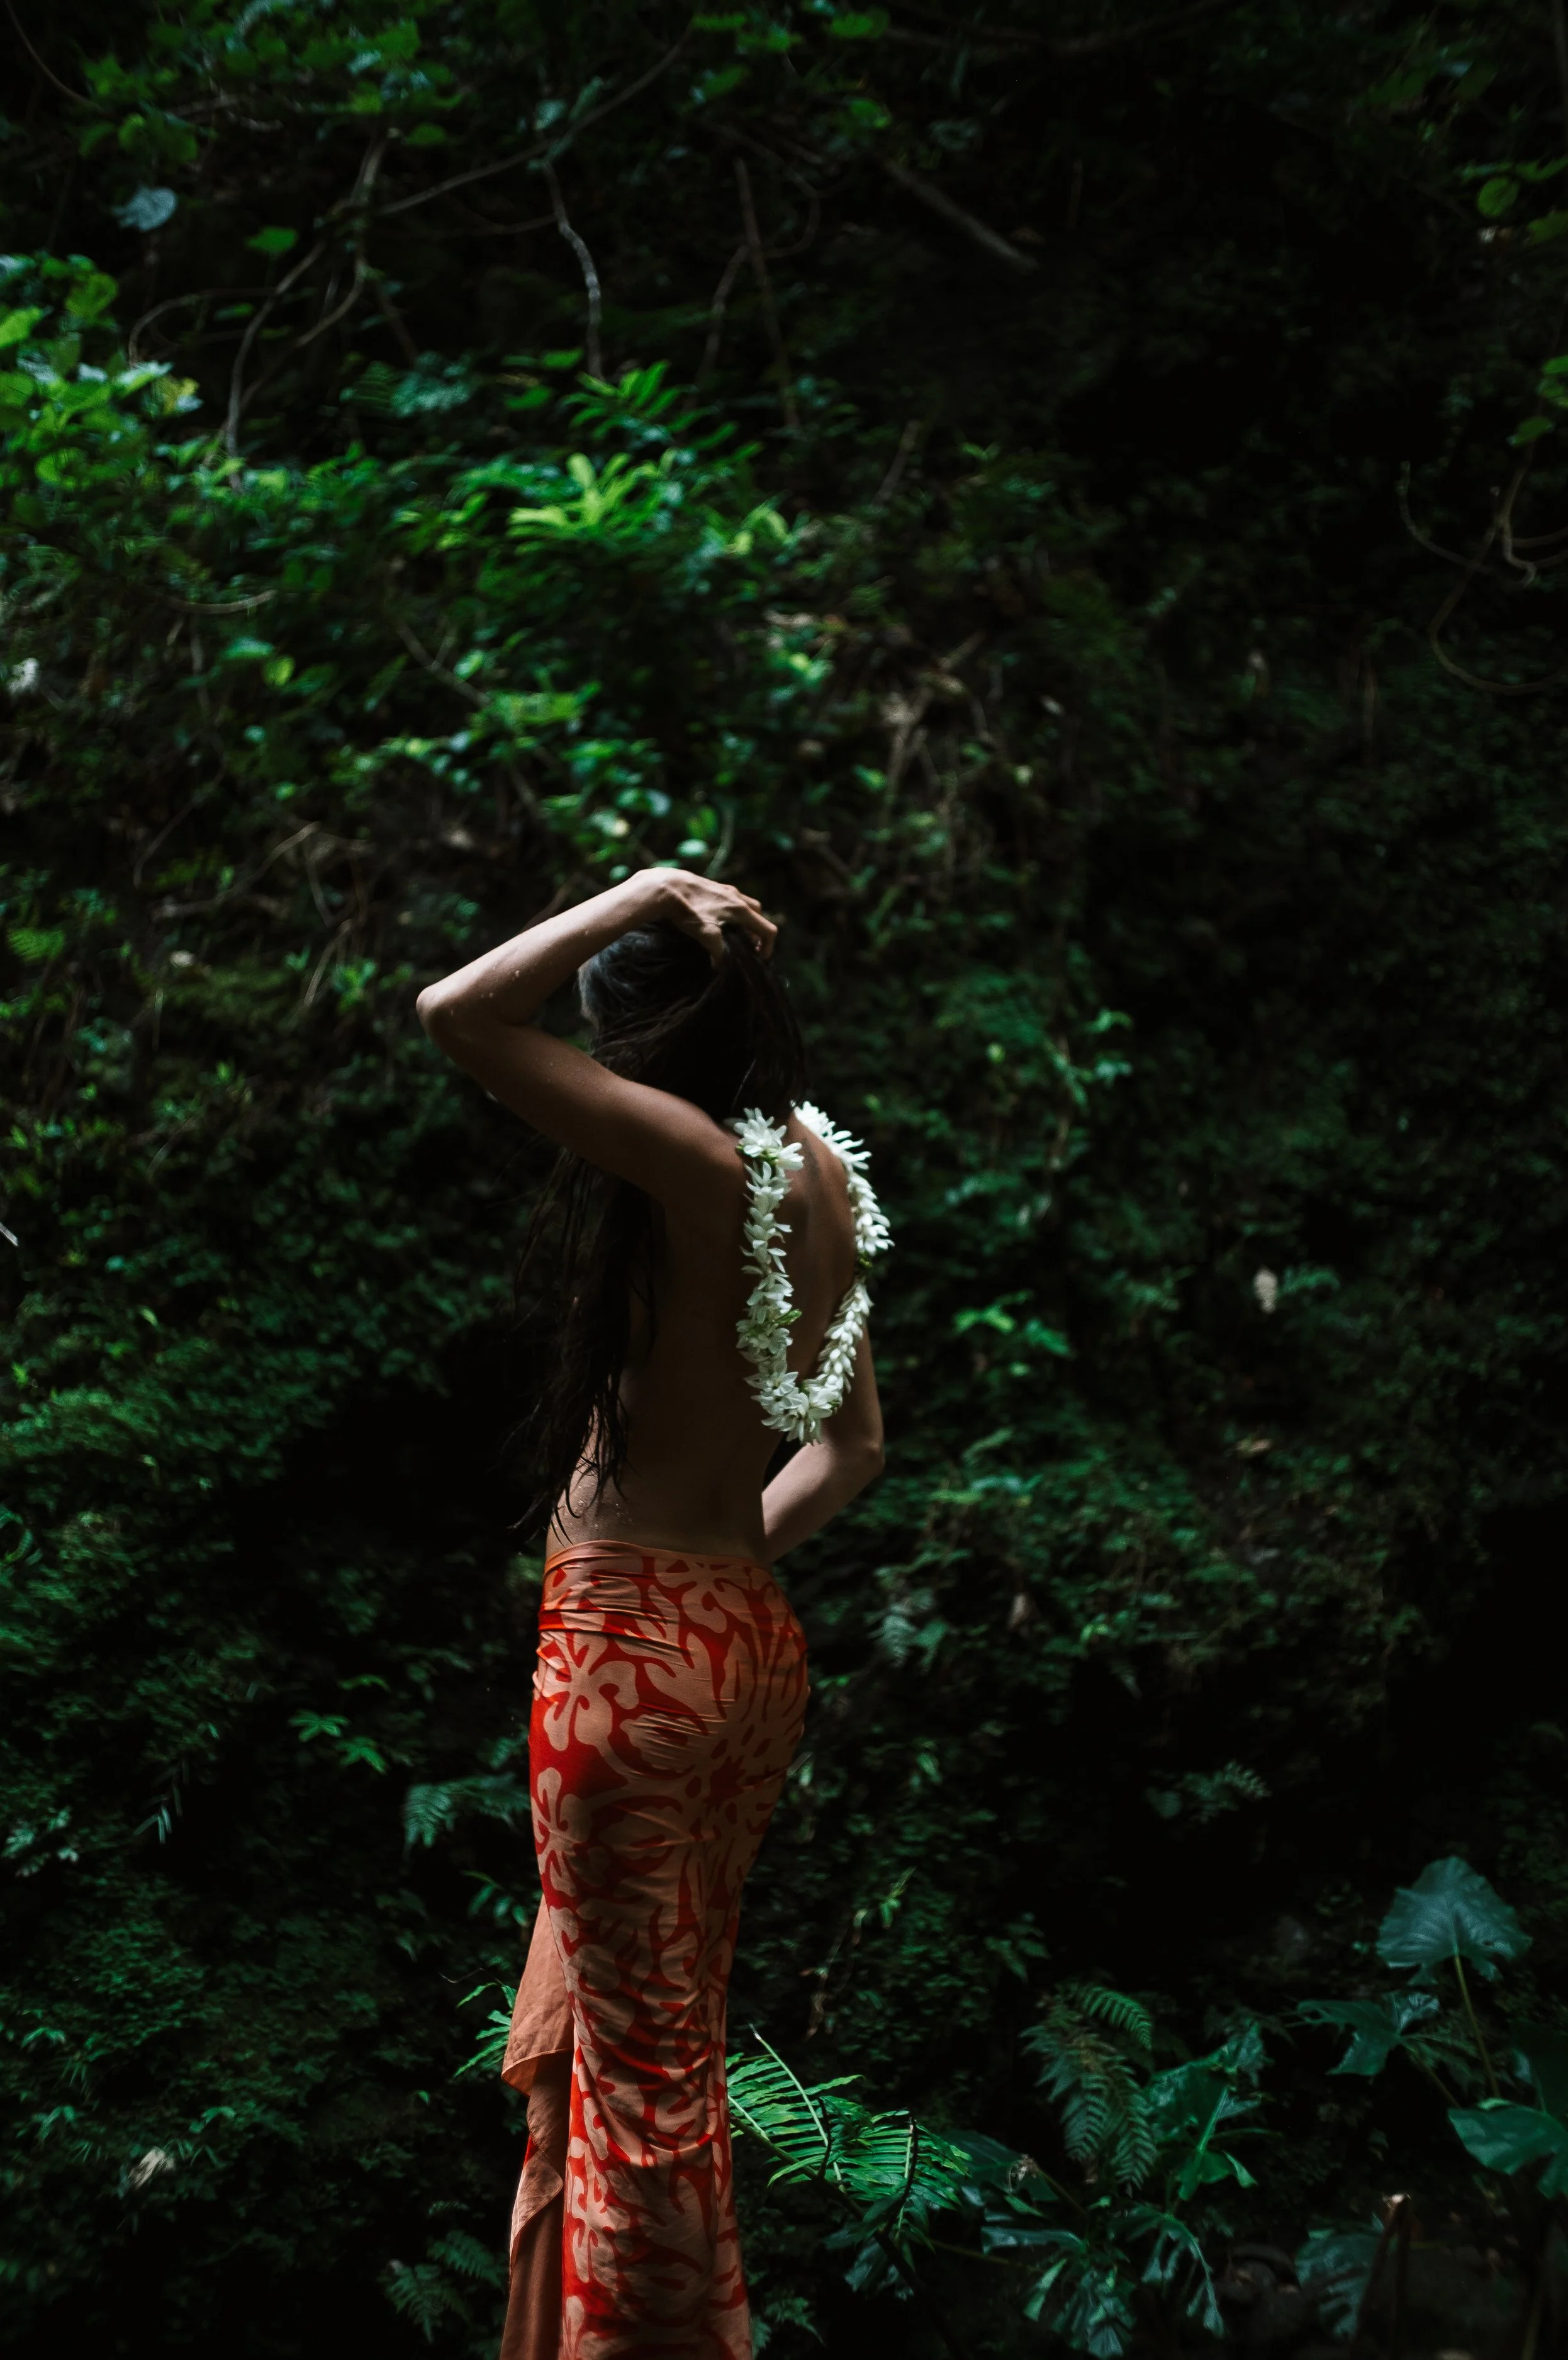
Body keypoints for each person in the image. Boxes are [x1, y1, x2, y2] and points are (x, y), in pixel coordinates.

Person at [416, 867, 887, 2360]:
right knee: (665, 2059)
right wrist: (703, 1586)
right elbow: (854, 1446)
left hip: (635, 1667)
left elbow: (459, 1015)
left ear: (642, 1042)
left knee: (641, 2089)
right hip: (738, 1648)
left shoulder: (693, 1164)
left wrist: (630, 890)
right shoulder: (814, 1168)